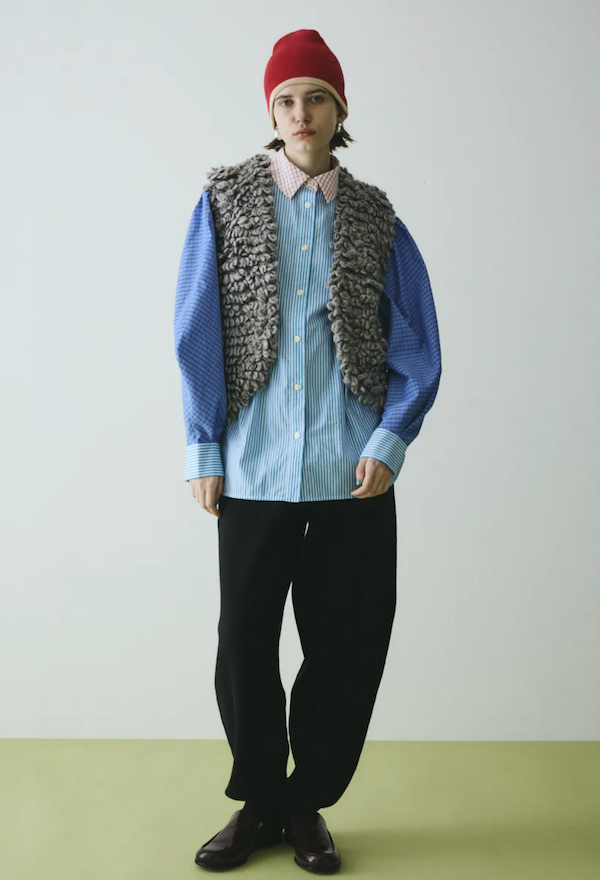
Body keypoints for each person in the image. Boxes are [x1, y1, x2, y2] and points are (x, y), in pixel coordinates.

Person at [173, 28, 442, 874]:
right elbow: (196, 329)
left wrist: (391, 439)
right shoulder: (225, 203)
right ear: (271, 112)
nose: (301, 113)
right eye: (286, 99)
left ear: (339, 109)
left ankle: (307, 805)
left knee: (346, 646)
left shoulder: (375, 218)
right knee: (244, 646)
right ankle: (258, 801)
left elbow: (418, 343)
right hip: (253, 469)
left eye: (316, 97)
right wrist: (203, 447)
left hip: (350, 474)